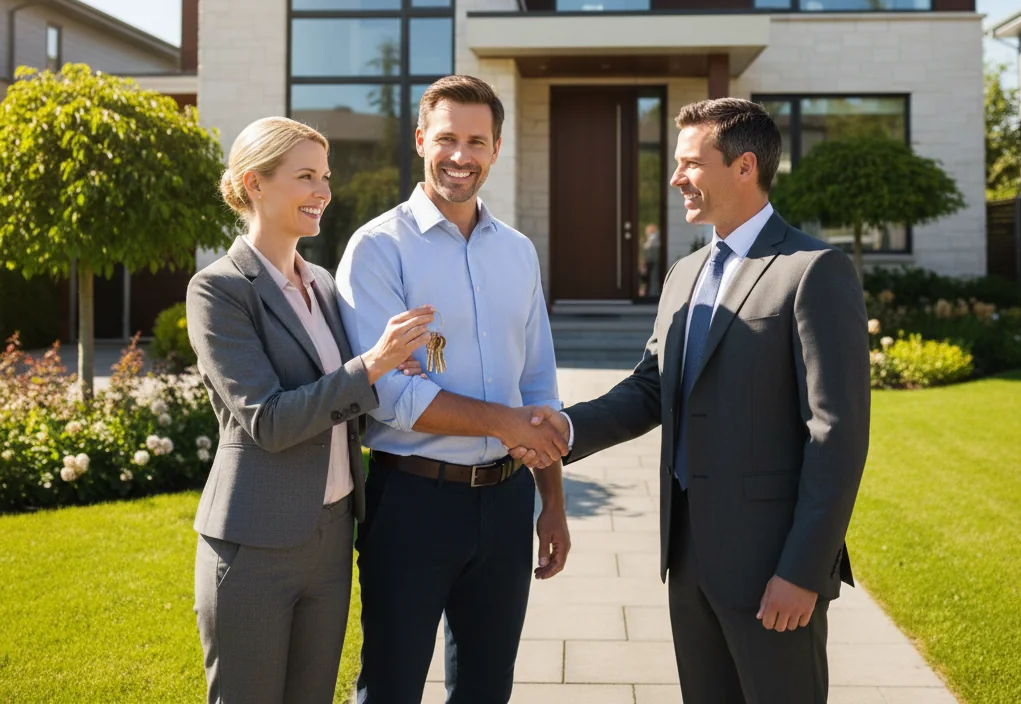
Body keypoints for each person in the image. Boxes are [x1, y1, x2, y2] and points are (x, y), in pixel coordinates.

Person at [523, 97, 871, 704]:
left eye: (690, 163)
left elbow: (836, 436)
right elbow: (653, 387)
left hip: (772, 566)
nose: (676, 177)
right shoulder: (684, 274)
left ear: (743, 167)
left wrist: (803, 571)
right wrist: (566, 429)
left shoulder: (814, 270)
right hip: (687, 560)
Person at [336, 75, 571, 704]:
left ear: (497, 149)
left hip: (506, 506)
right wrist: (506, 423)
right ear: (420, 141)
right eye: (446, 139)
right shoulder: (377, 249)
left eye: (476, 141)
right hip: (414, 503)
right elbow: (393, 398)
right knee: (390, 688)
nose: (460, 156)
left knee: (487, 690)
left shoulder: (519, 252)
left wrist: (552, 501)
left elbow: (538, 385)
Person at [186, 116, 436, 704]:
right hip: (254, 542)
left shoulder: (322, 283)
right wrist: (370, 365)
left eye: (325, 176)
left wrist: (395, 368)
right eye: (305, 176)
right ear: (254, 184)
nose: (323, 191)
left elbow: (345, 398)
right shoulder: (219, 290)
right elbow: (269, 420)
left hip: (330, 535)